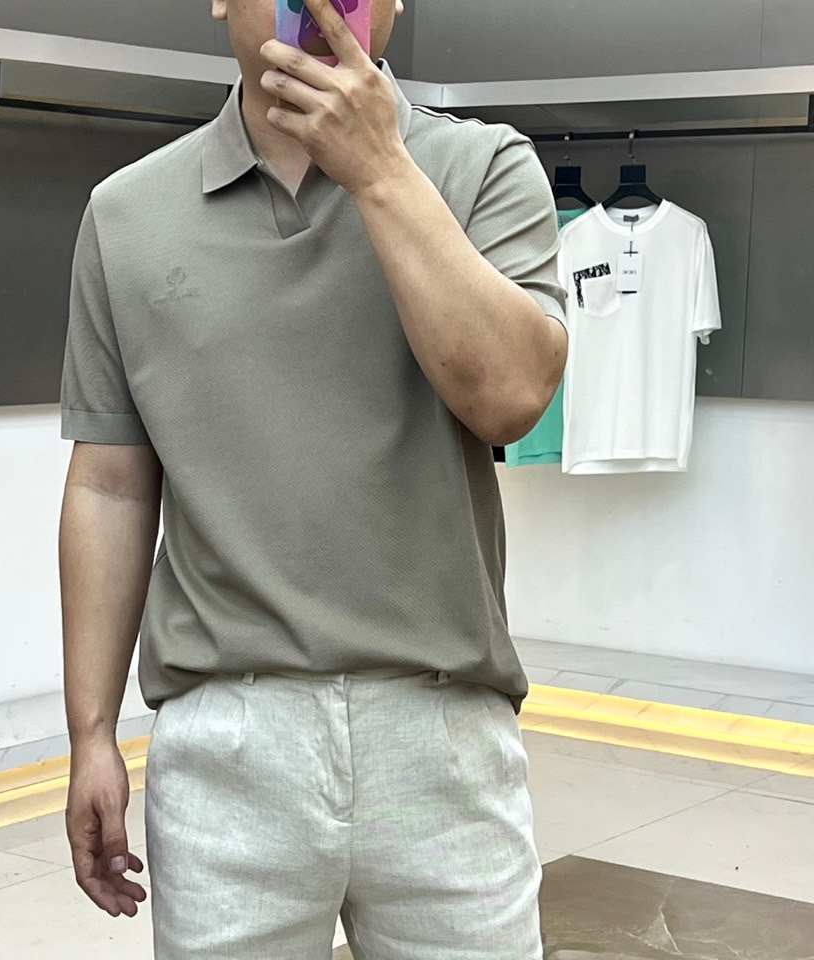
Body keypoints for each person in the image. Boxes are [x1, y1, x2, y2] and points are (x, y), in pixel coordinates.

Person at [57, 0, 568, 956]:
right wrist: (91, 733)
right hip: (227, 738)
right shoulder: (127, 214)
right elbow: (110, 486)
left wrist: (379, 169)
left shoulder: (483, 168)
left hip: (442, 728)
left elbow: (509, 399)